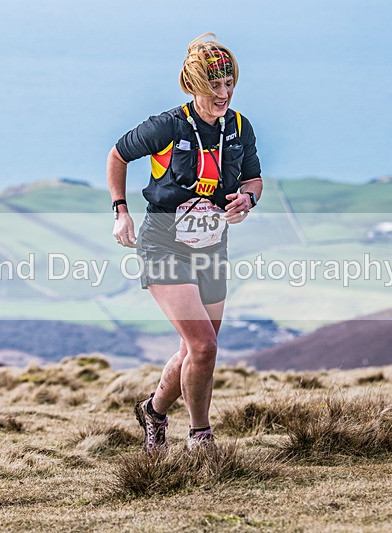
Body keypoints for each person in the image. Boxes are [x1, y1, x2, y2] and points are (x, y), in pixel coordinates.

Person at [107, 33, 263, 451]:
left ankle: (153, 412)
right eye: (215, 85)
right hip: (163, 243)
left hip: (213, 246)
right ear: (194, 84)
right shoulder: (166, 126)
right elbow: (117, 155)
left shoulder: (240, 127)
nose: (224, 93)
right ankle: (200, 436)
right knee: (204, 345)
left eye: (229, 84)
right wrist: (120, 210)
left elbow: (254, 179)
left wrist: (247, 198)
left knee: (197, 352)